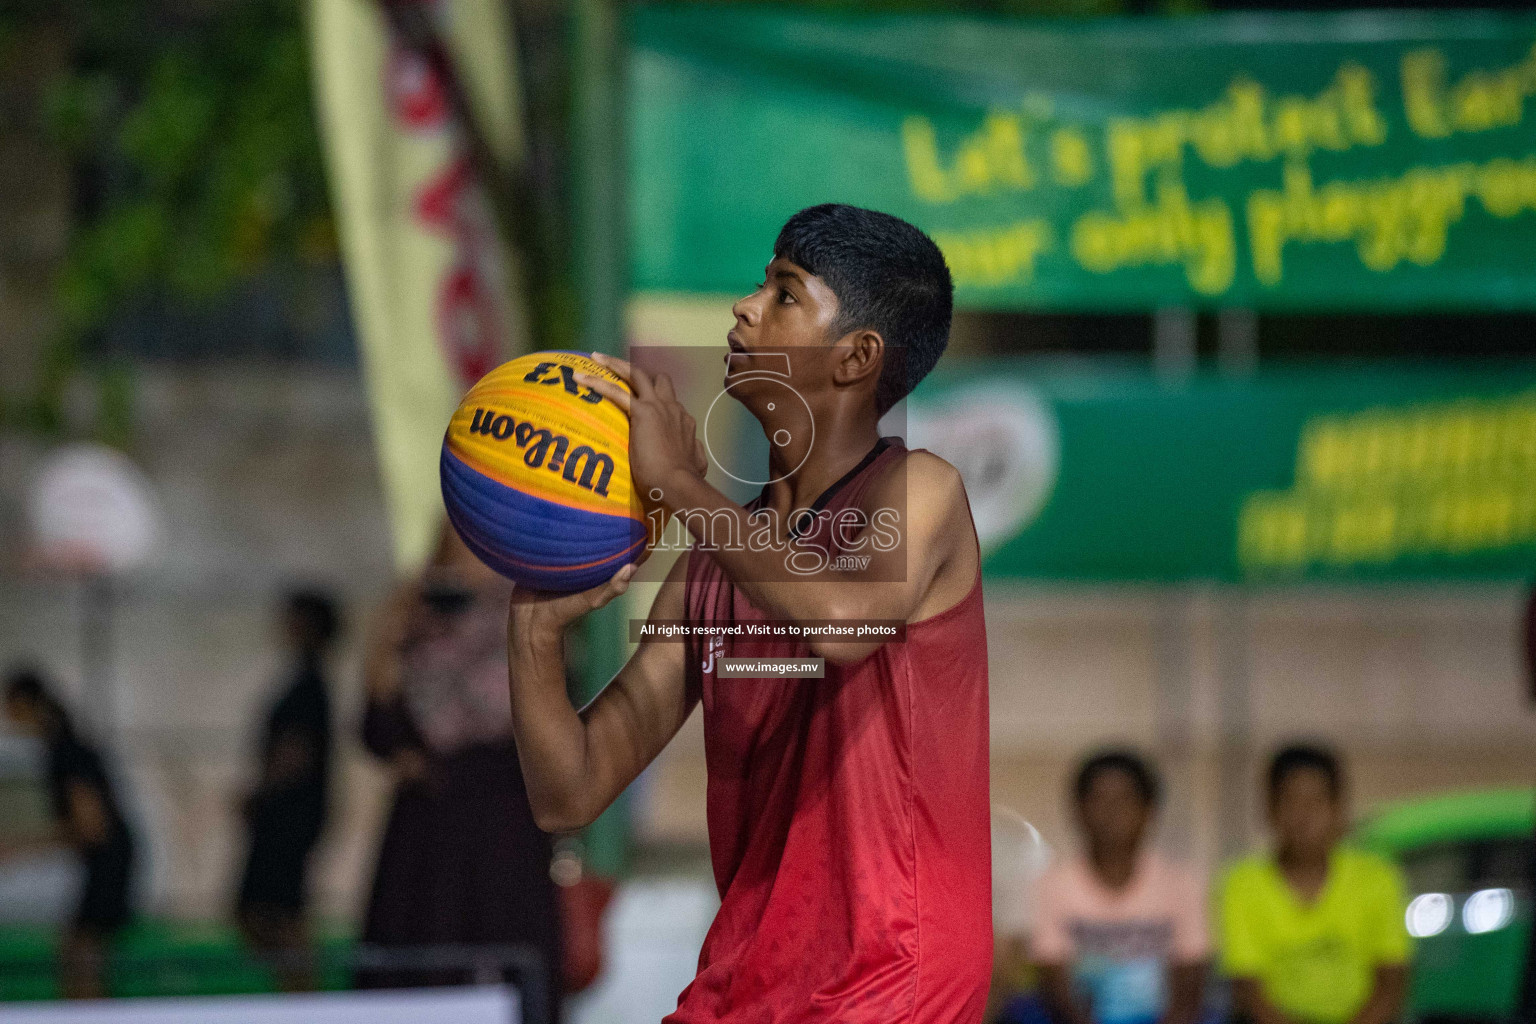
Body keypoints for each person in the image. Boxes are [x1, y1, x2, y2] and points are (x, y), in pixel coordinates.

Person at [511, 203, 991, 1021]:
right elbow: (572, 792)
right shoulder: (714, 559)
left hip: (891, 976)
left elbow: (843, 624)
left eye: (785, 293)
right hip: (746, 979)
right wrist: (531, 631)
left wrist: (681, 488)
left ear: (856, 358)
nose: (745, 306)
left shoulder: (920, 491)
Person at [358, 526, 561, 1018]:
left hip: (501, 820)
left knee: (506, 958)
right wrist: (388, 640)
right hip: (427, 826)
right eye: (458, 547)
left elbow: (540, 719)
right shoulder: (415, 621)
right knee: (418, 963)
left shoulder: (526, 615)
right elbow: (375, 729)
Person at [1219, 744, 1409, 1024]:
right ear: (1270, 809)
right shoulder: (1241, 884)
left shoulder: (1378, 877)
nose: (1304, 817)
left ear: (1338, 809)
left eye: (1316, 801)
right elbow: (1249, 992)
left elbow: (1390, 983)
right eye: (1291, 801)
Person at [1031, 750, 1208, 1024]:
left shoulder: (1181, 884)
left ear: (1149, 810)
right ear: (1077, 810)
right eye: (1099, 799)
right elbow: (1055, 987)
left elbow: (1190, 983)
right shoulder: (1053, 886)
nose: (1111, 813)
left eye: (1124, 799)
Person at [3, 667, 136, 999]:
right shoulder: (64, 749)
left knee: (82, 954)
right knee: (77, 953)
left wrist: (22, 846)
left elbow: (90, 826)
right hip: (106, 863)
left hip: (108, 865)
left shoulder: (66, 752)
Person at [234, 588, 339, 988]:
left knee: (273, 912)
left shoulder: (309, 685)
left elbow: (298, 753)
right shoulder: (306, 680)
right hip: (288, 813)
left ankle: (303, 998)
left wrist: (260, 790)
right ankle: (298, 995)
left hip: (288, 815)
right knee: (273, 913)